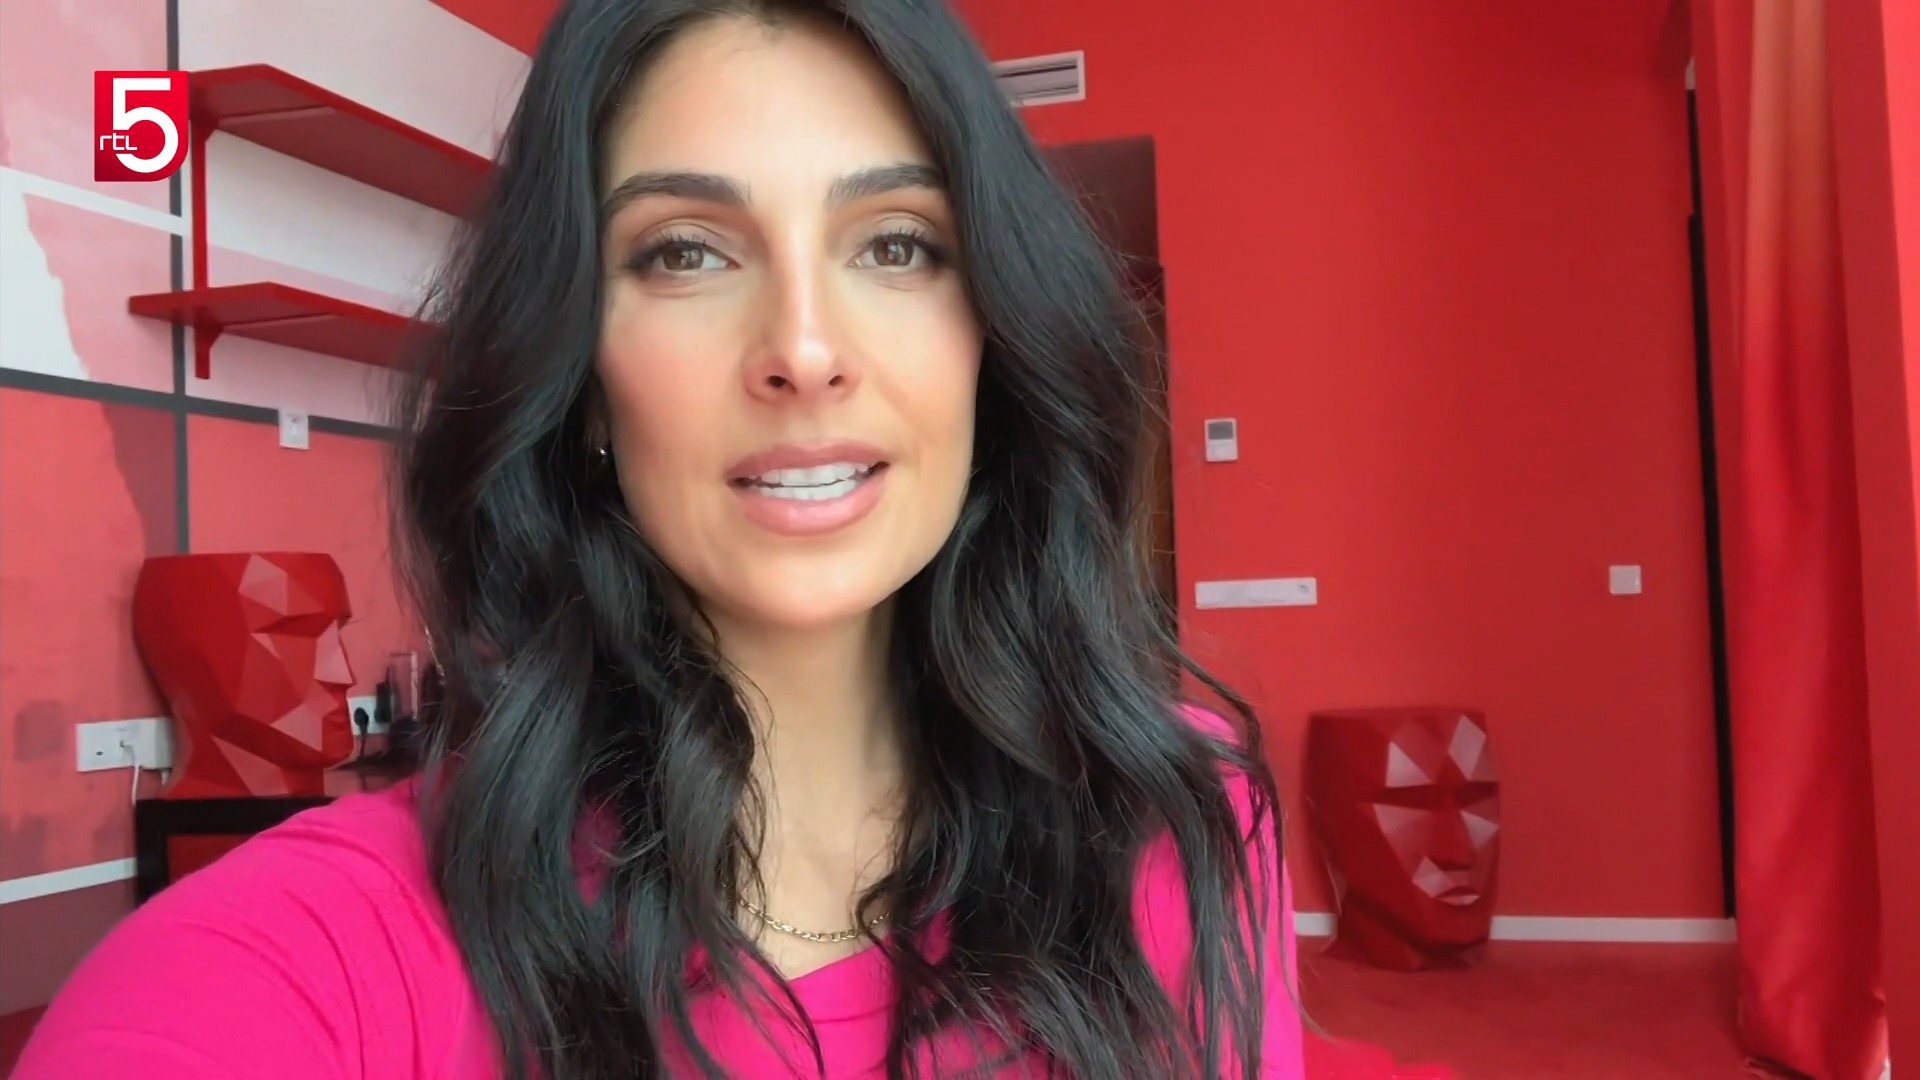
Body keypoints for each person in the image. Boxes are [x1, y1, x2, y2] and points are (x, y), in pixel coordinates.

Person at [16, 0, 1304, 1076]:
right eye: (685, 253)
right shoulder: (286, 965)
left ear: (990, 339)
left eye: (897, 243)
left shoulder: (1184, 822)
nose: (804, 349)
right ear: (581, 373)